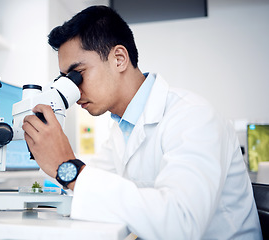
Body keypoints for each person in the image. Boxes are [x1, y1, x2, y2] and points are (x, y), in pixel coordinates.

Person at [22, 5, 262, 239]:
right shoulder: (122, 127)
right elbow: (93, 186)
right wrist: (51, 158)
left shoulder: (192, 116)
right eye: (65, 80)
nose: (74, 91)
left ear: (119, 58)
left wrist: (68, 167)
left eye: (77, 75)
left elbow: (182, 223)